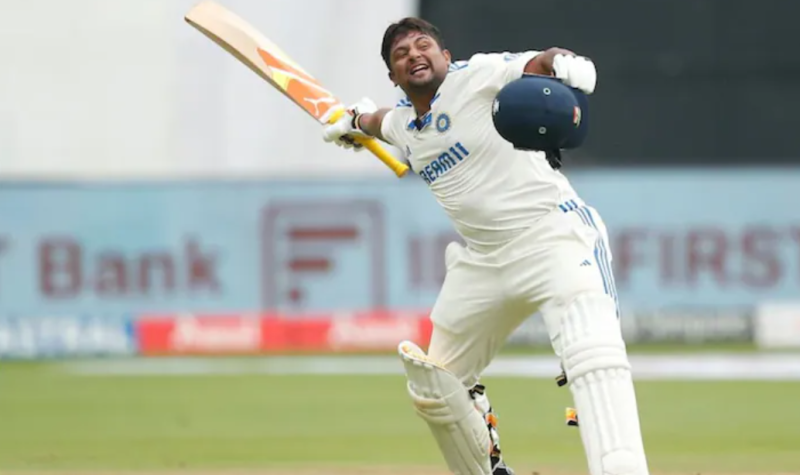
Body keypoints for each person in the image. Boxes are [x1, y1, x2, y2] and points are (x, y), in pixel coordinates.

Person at [320, 17, 650, 475]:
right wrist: (353, 123)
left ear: (444, 55)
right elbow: (379, 122)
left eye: (423, 45)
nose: (414, 55)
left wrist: (566, 62)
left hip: (552, 238)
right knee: (435, 384)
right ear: (393, 77)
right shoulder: (403, 123)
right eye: (401, 55)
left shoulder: (476, 75)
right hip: (484, 262)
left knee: (593, 355)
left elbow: (539, 62)